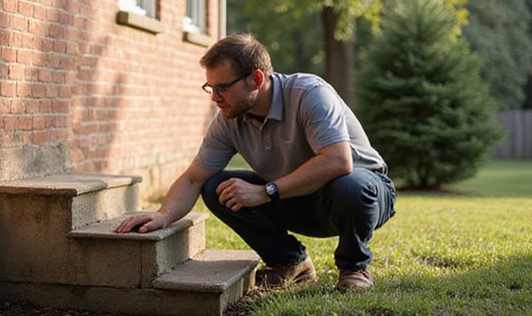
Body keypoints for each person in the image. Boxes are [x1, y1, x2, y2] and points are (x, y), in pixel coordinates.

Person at [114, 33, 396, 291]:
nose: (215, 98)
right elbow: (193, 179)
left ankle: (353, 268)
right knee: (217, 187)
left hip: (362, 195)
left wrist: (265, 191)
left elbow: (337, 161)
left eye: (223, 87)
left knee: (349, 185)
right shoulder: (229, 119)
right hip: (299, 198)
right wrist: (163, 215)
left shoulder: (309, 94)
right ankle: (290, 261)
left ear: (256, 79)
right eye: (210, 88)